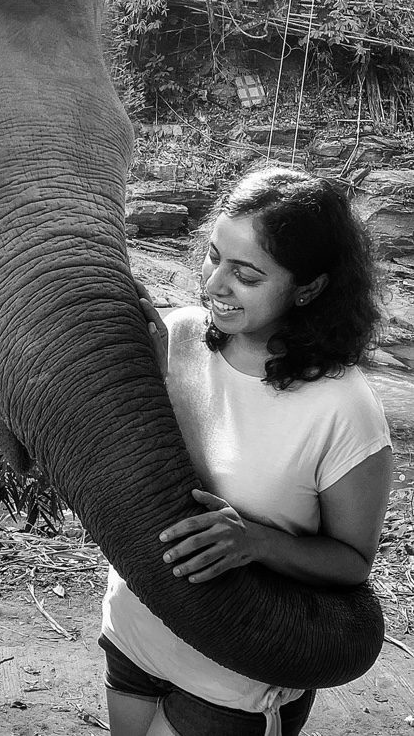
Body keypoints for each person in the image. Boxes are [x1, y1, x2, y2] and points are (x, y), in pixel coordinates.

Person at [100, 165, 393, 736]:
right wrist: (139, 378)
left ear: (308, 288)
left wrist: (254, 542)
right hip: (134, 632)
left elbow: (352, 563)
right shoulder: (176, 338)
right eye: (213, 257)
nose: (213, 285)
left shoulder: (344, 409)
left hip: (236, 676)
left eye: (246, 275)